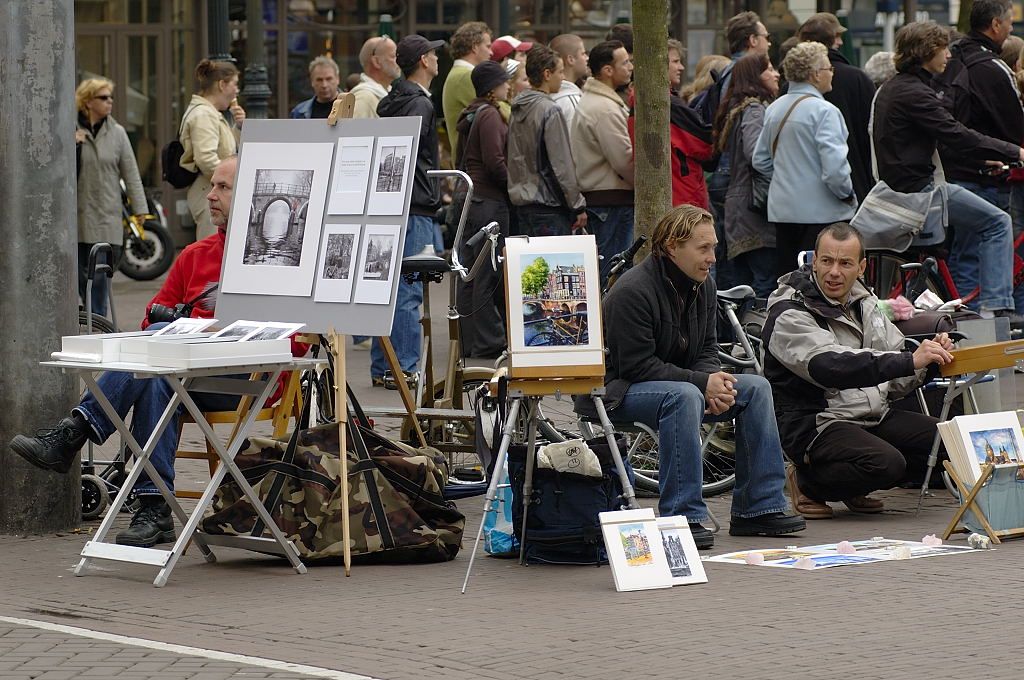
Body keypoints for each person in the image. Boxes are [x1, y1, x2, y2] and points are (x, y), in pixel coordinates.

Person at [8, 157, 298, 547]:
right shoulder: (195, 254)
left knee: (159, 363)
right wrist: (179, 323)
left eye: (223, 188)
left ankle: (74, 434)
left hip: (246, 377)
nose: (210, 195)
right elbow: (150, 321)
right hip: (183, 371)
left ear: (249, 197)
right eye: (212, 186)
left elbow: (292, 338)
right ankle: (155, 509)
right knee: (157, 377)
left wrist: (209, 331)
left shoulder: (275, 261)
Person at [575, 204, 806, 550]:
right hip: (616, 391)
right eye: (703, 248)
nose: (713, 257)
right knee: (684, 396)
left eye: (713, 247)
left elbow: (707, 349)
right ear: (672, 246)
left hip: (679, 385)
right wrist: (702, 384)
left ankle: (758, 509)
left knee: (756, 388)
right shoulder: (632, 291)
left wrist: (714, 380)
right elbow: (637, 367)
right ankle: (681, 517)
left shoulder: (703, 285)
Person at [762, 223, 955, 517]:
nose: (834, 272)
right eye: (826, 261)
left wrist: (930, 359)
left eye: (845, 263)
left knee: (950, 440)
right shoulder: (789, 310)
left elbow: (895, 371)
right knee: (888, 464)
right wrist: (908, 360)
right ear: (813, 260)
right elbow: (830, 367)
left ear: (861, 267)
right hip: (817, 422)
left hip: (871, 414)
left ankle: (852, 484)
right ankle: (806, 483)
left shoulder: (865, 303)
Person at [874, 20, 1023, 318]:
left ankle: (969, 311)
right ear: (927, 51)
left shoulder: (896, 87)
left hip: (902, 188)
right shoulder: (915, 93)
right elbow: (956, 133)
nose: (949, 56)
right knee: (997, 223)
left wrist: (983, 159)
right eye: (943, 49)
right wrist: (1015, 150)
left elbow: (939, 137)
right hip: (921, 192)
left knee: (965, 249)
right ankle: (997, 309)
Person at [936, 0, 1024, 316]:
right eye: (1010, 22)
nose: (1012, 28)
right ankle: (988, 325)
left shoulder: (952, 60)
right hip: (985, 173)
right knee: (990, 243)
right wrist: (1013, 152)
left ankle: (962, 323)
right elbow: (1014, 124)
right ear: (996, 25)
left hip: (949, 173)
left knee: (963, 253)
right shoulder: (991, 68)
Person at [374, 35, 446, 389]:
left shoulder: (393, 100)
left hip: (394, 200)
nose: (437, 59)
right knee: (408, 286)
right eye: (433, 54)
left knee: (387, 285)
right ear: (423, 60)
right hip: (416, 202)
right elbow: (415, 155)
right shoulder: (420, 104)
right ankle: (402, 368)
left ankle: (383, 365)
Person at [753, 41, 855, 278]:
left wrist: (786, 178)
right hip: (823, 213)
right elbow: (835, 171)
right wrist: (847, 194)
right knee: (825, 281)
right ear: (814, 74)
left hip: (783, 211)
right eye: (829, 68)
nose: (832, 73)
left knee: (790, 281)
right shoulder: (825, 111)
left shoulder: (775, 108)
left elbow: (760, 161)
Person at [74, 77, 147, 318]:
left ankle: (99, 328)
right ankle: (87, 323)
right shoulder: (70, 130)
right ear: (88, 101)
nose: (110, 102)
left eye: (111, 97)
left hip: (106, 216)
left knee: (99, 281)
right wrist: (73, 147)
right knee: (78, 277)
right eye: (103, 98)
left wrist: (140, 210)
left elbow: (132, 174)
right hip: (76, 217)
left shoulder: (117, 133)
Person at [454, 61, 512, 359]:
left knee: (470, 272)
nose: (509, 86)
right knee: (487, 271)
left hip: (473, 200)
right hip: (489, 201)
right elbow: (494, 160)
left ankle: (467, 340)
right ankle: (488, 341)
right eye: (504, 81)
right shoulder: (490, 115)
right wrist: (513, 187)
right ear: (493, 87)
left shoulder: (472, 112)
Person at [713, 53, 780, 298]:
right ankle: (757, 333)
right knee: (763, 281)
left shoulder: (738, 109)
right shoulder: (754, 110)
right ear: (754, 77)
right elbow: (756, 154)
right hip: (753, 209)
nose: (776, 74)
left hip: (740, 207)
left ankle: (739, 333)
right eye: (769, 69)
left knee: (742, 283)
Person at [571, 40, 634, 283]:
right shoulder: (604, 108)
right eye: (625, 62)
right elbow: (624, 160)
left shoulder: (598, 101)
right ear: (608, 70)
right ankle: (610, 320)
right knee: (614, 271)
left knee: (609, 267)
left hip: (605, 199)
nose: (630, 66)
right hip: (612, 201)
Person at [507, 45, 587, 237]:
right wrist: (577, 205)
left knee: (534, 267)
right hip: (549, 205)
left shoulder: (518, 108)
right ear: (547, 74)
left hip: (523, 203)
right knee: (554, 266)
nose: (563, 77)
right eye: (560, 72)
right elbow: (561, 164)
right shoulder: (549, 109)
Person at [797, 13, 876, 204]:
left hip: (800, 195)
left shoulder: (791, 85)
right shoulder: (857, 79)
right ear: (835, 40)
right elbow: (872, 130)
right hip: (853, 180)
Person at [180, 59, 244, 240]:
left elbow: (226, 150)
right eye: (235, 84)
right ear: (222, 85)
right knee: (213, 249)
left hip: (212, 189)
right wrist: (234, 180)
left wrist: (238, 127)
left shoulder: (209, 113)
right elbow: (206, 159)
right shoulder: (203, 114)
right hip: (209, 191)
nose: (236, 91)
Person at [442, 21, 493, 160]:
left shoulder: (461, 74)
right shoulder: (465, 75)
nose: (491, 52)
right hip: (472, 163)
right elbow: (496, 110)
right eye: (488, 46)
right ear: (475, 47)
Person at [348, 36, 401, 120]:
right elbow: (352, 131)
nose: (399, 61)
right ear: (376, 62)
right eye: (393, 56)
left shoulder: (391, 93)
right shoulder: (363, 98)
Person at [549, 33, 590, 126]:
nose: (587, 58)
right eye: (583, 54)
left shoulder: (548, 92)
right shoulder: (571, 103)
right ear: (570, 59)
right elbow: (574, 140)